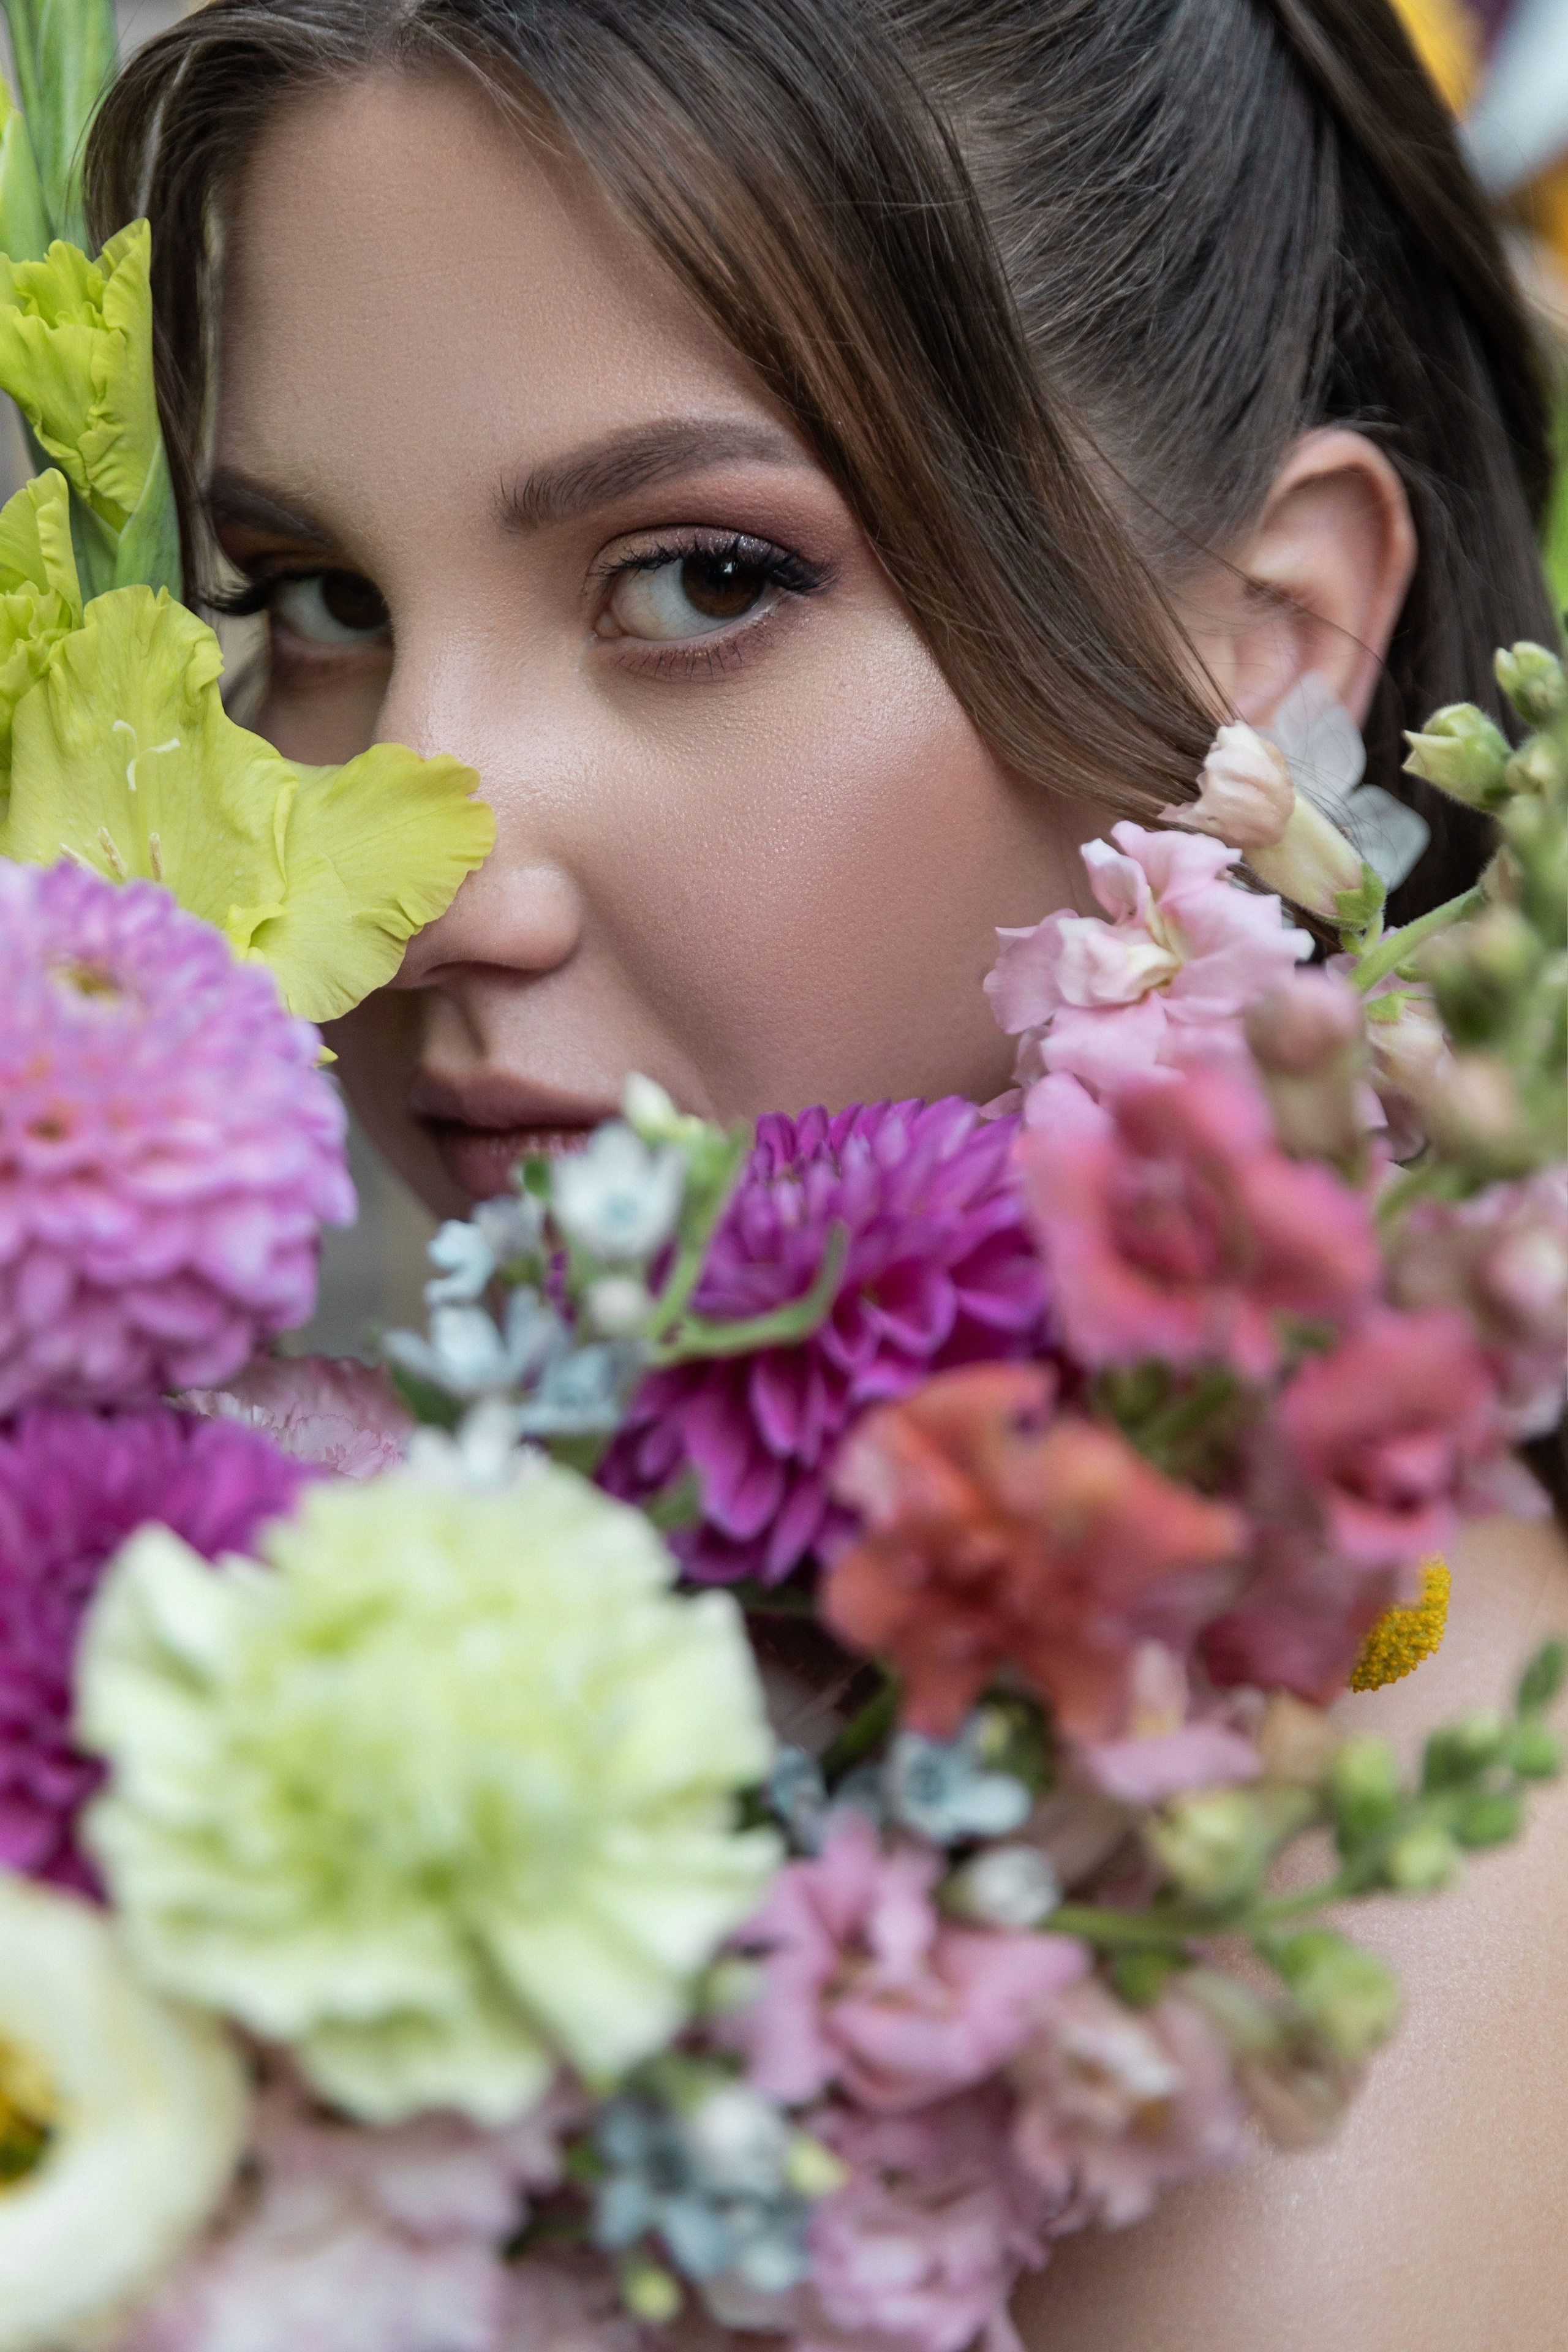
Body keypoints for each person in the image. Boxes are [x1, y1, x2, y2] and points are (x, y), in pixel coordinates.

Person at [88, 4, 1568, 2344]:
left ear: (1274, 647)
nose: (434, 878)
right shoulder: (302, 1584)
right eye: (317, 603)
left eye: (693, 581)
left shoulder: (1335, 1856)